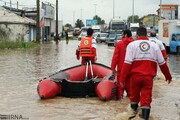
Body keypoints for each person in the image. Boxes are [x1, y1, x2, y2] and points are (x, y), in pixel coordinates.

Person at [119, 27, 172, 120]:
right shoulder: (154, 46)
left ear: (137, 35)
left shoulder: (132, 45)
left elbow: (127, 64)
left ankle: (132, 115)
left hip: (134, 78)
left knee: (134, 97)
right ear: (146, 35)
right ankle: (145, 117)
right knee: (146, 99)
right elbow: (162, 63)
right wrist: (168, 76)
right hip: (148, 78)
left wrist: (122, 79)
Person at [111, 29, 134, 100]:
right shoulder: (134, 44)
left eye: (122, 34)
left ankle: (120, 103)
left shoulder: (119, 44)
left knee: (120, 89)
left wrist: (113, 68)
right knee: (130, 89)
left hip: (121, 69)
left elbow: (115, 57)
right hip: (132, 70)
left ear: (125, 35)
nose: (122, 36)